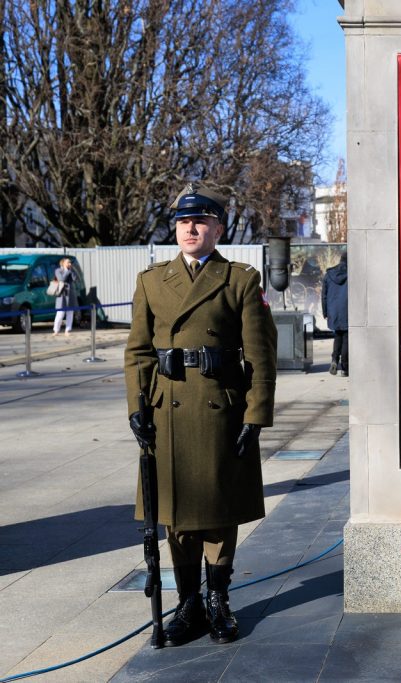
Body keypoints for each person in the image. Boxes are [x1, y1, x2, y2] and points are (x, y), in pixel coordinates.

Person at [124, 182, 277, 646]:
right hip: (166, 411)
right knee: (174, 512)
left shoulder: (240, 279)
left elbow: (261, 355)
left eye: (201, 221)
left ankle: (218, 599)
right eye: (183, 222)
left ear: (218, 228)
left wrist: (256, 415)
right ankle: (188, 602)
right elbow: (137, 353)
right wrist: (136, 407)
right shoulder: (152, 281)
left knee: (217, 509)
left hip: (218, 408)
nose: (191, 228)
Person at [321, 253, 349, 376]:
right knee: (346, 339)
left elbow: (324, 296)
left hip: (333, 311)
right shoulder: (351, 274)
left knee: (337, 336)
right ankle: (344, 368)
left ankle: (334, 360)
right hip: (347, 311)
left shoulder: (328, 275)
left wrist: (325, 312)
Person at [52, 257, 78, 336]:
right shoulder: (58, 270)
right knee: (60, 313)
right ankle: (56, 330)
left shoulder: (70, 270)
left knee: (70, 313)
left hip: (70, 294)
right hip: (62, 295)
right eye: (68, 263)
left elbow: (74, 279)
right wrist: (67, 271)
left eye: (70, 263)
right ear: (63, 263)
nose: (70, 264)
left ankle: (68, 330)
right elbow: (61, 279)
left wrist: (71, 271)